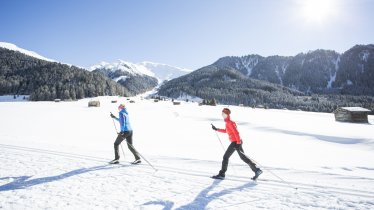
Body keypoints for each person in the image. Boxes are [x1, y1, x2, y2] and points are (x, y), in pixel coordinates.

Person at [211, 108, 262, 180]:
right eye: (222, 113)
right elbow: (226, 131)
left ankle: (222, 174)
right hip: (237, 142)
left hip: (235, 142)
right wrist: (217, 129)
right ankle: (256, 170)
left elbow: (236, 132)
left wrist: (238, 143)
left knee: (225, 157)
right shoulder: (228, 122)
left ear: (227, 114)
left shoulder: (229, 122)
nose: (222, 115)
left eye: (223, 114)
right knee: (243, 157)